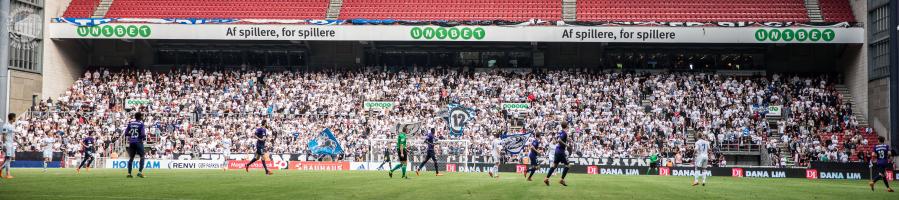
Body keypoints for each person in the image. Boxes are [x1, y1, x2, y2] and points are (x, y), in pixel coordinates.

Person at [545, 122, 571, 186]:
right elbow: (559, 140)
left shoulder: (561, 132)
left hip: (557, 150)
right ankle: (562, 180)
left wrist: (567, 139)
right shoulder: (564, 133)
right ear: (566, 126)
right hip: (560, 151)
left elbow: (559, 139)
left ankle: (546, 178)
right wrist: (566, 145)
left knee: (554, 166)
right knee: (567, 165)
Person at [124, 112, 147, 178]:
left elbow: (126, 133)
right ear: (140, 117)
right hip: (138, 142)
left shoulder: (130, 123)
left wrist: (132, 135)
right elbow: (143, 134)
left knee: (131, 158)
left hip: (131, 142)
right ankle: (140, 172)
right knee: (142, 156)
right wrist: (140, 137)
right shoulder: (141, 124)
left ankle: (129, 173)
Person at [1, 113, 17, 179]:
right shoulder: (6, 125)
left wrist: (19, 143)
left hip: (11, 144)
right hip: (7, 144)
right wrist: (4, 145)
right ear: (12, 118)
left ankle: (7, 174)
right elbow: (4, 135)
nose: (15, 118)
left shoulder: (12, 126)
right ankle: (5, 172)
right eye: (15, 117)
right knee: (8, 159)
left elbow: (12, 136)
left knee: (8, 159)